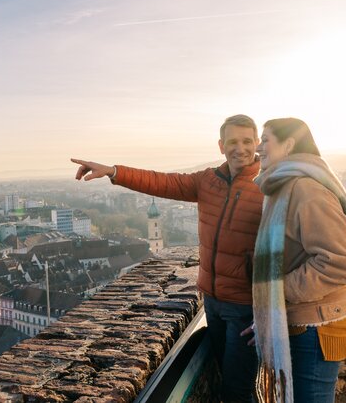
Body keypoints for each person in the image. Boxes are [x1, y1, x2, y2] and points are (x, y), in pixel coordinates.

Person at [72, 114, 264, 403]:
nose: (241, 148)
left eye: (247, 141)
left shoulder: (269, 185)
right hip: (212, 300)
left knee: (238, 390)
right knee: (228, 379)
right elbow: (161, 182)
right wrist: (114, 171)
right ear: (221, 145)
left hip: (246, 306)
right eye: (233, 141)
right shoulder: (207, 180)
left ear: (257, 143)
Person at [245, 118, 346, 403]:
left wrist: (277, 293)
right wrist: (266, 315)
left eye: (266, 140)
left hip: (317, 330)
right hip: (305, 324)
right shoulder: (284, 187)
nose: (258, 147)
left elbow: (342, 261)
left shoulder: (305, 189)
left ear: (288, 145)